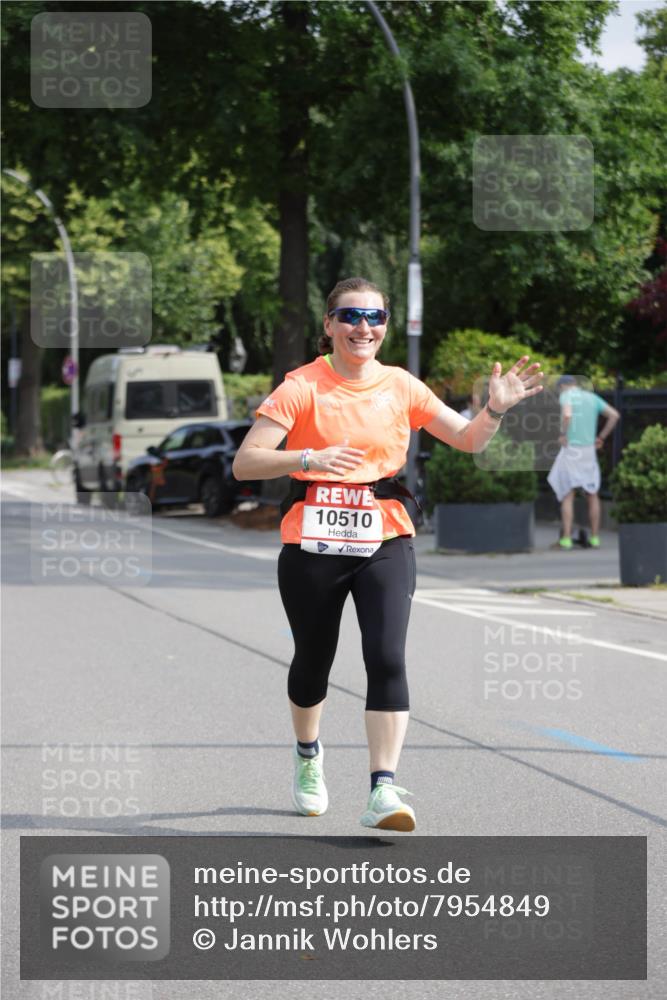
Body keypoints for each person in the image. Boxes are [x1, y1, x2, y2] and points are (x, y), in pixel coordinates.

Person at [232, 276, 543, 831]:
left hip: (384, 536)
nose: (363, 328)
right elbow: (246, 461)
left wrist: (494, 411)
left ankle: (383, 789)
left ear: (385, 327)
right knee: (313, 662)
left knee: (387, 655)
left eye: (375, 318)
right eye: (350, 316)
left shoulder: (402, 386)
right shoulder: (301, 386)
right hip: (312, 540)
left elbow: (468, 441)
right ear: (328, 325)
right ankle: (308, 757)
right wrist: (308, 455)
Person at [547, 375, 620, 549]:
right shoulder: (591, 397)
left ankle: (565, 539)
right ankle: (595, 538)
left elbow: (567, 415)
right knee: (592, 493)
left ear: (563, 386)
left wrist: (563, 434)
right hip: (589, 451)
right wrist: (601, 437)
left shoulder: (567, 395)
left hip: (572, 449)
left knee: (568, 494)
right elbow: (614, 416)